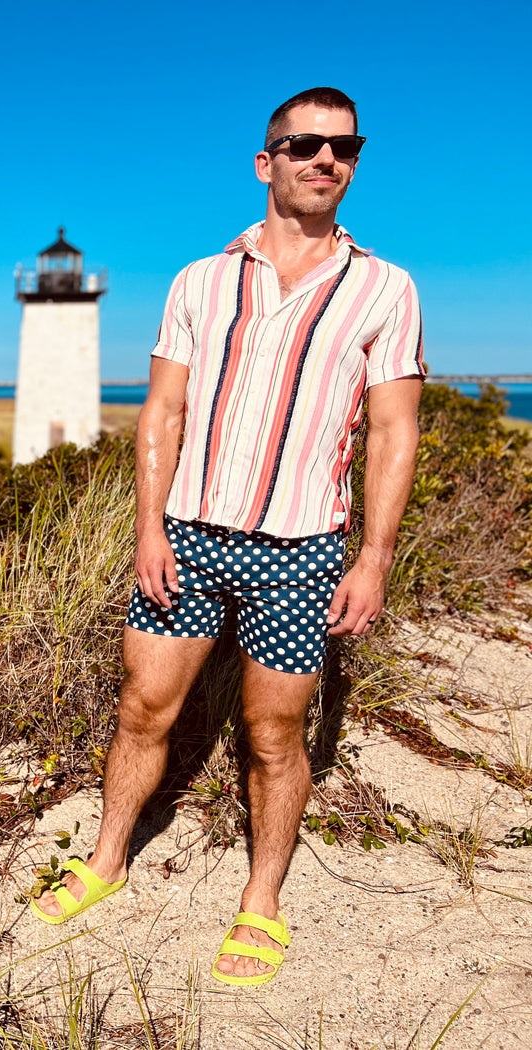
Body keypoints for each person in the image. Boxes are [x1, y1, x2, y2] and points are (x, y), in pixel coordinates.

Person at [28, 87, 425, 987]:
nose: (326, 160)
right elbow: (161, 412)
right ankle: (107, 859)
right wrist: (148, 530)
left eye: (345, 147)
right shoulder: (200, 280)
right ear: (268, 161)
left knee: (274, 734)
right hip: (189, 539)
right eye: (305, 145)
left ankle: (261, 902)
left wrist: (374, 558)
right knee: (143, 708)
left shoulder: (385, 289)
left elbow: (394, 431)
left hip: (302, 550)